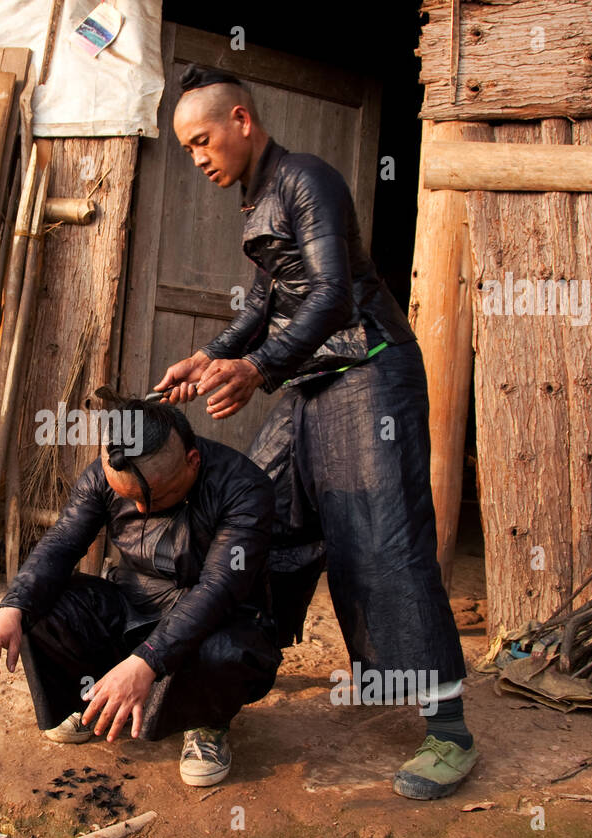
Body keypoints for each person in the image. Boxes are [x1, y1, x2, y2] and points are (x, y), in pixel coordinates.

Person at [155, 64, 478, 800]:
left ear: (241, 120)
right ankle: (213, 702)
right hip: (313, 378)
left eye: (202, 139)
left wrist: (258, 369)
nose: (198, 157)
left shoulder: (309, 180)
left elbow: (333, 297)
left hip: (370, 368)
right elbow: (274, 301)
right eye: (187, 149)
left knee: (382, 533)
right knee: (254, 517)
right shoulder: (257, 197)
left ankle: (449, 730)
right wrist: (215, 354)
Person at [0, 396, 281, 787]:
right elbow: (62, 544)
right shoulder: (100, 476)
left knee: (223, 649)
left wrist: (147, 660)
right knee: (40, 606)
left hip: (214, 613)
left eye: (154, 496)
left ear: (192, 461)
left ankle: (207, 724)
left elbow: (218, 588)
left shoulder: (244, 488)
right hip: (132, 602)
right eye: (127, 497)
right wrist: (11, 609)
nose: (139, 508)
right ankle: (84, 702)